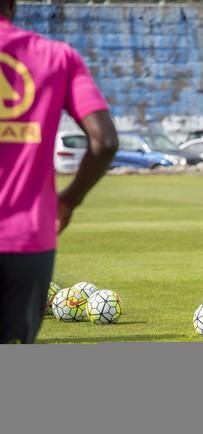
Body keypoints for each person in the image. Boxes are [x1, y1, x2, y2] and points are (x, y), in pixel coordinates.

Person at [0, 0, 118, 344]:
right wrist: (68, 201)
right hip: (29, 241)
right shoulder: (58, 56)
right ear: (12, 4)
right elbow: (105, 141)